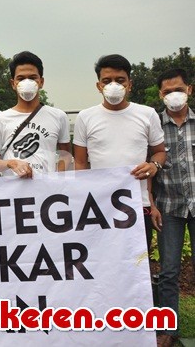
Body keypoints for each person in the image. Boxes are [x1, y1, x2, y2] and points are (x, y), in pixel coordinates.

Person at [73, 54, 165, 255]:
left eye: (120, 80)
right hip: (98, 208)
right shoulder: (85, 117)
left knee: (138, 265)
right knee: (102, 262)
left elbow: (159, 153)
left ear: (129, 84)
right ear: (98, 86)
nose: (113, 85)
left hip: (138, 206)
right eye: (107, 81)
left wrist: (153, 166)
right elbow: (80, 163)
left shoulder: (147, 114)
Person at [151, 69, 194, 347]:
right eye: (167, 92)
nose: (173, 95)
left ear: (189, 89)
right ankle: (169, 329)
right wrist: (152, 204)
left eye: (178, 89)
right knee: (168, 271)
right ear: (160, 95)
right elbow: (147, 168)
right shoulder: (153, 126)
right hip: (168, 207)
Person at [0, 51, 71, 177]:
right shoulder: (0, 119)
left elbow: (66, 154)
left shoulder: (59, 116)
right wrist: (11, 163)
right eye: (20, 78)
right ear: (13, 83)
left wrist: (57, 177)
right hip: (13, 192)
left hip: (47, 192)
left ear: (41, 82)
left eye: (32, 78)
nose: (27, 82)